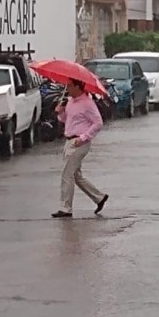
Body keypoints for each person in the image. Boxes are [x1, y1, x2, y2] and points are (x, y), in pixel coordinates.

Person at [51, 78, 109, 218]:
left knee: (67, 174)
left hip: (79, 142)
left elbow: (98, 123)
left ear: (78, 87)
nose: (68, 89)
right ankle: (99, 197)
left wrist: (83, 137)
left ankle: (65, 208)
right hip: (69, 140)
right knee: (76, 175)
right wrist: (60, 112)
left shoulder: (87, 103)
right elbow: (68, 120)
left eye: (70, 86)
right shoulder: (70, 101)